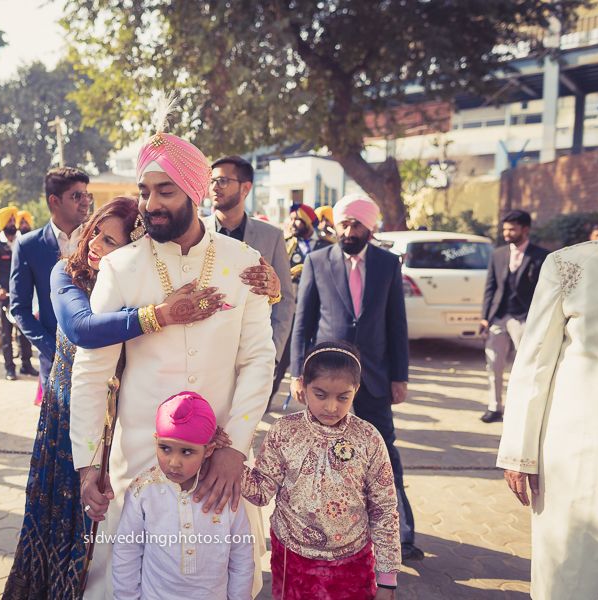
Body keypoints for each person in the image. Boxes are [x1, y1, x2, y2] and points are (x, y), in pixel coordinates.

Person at [2, 197, 278, 599]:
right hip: (75, 415)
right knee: (70, 531)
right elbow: (84, 328)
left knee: (129, 538)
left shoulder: (141, 269)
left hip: (119, 419)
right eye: (96, 232)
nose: (97, 245)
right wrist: (162, 314)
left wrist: (271, 289)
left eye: (112, 241)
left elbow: (254, 352)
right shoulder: (70, 272)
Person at [70, 119, 277, 598]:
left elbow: (258, 361)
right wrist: (87, 464)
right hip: (142, 454)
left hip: (218, 459)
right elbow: (92, 370)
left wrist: (234, 449)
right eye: (145, 191)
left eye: (165, 190)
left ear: (194, 191)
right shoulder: (122, 266)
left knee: (223, 577)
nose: (152, 204)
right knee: (121, 578)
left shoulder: (241, 261)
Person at [497, 172, 598, 600]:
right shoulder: (571, 264)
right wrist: (519, 451)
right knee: (570, 571)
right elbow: (533, 363)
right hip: (575, 452)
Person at [290, 193, 422, 561]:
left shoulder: (387, 264)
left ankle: (401, 535)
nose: (348, 230)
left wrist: (400, 376)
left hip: (376, 380)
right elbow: (303, 323)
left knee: (384, 456)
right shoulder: (318, 261)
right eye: (344, 223)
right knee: (326, 456)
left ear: (370, 227)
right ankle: (329, 531)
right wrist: (298, 375)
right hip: (327, 382)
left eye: (356, 225)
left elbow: (397, 322)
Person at [244, 341, 400, 600]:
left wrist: (387, 579)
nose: (331, 407)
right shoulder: (284, 432)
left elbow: (384, 510)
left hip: (352, 563)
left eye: (343, 397)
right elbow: (261, 493)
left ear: (356, 390)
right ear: (303, 387)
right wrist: (227, 459)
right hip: (292, 559)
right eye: (320, 394)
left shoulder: (368, 438)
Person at [112, 391, 254, 599]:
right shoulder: (143, 491)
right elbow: (126, 551)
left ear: (208, 450)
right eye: (165, 448)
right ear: (156, 441)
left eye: (187, 452)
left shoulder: (222, 491)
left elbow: (241, 555)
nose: (174, 462)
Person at [207, 155, 294, 404]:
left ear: (246, 188)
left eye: (223, 180)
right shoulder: (198, 232)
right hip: (205, 354)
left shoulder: (272, 236)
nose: (215, 187)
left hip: (253, 351)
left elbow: (285, 299)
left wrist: (272, 352)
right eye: (212, 181)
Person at [10, 167, 91, 390]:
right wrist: (54, 351)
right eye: (77, 196)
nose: (85, 201)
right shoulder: (28, 246)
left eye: (87, 195)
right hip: (55, 363)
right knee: (58, 426)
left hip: (100, 357)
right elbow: (20, 309)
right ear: (54, 201)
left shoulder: (100, 237)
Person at [479, 210, 548, 423]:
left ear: (525, 230)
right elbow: (490, 287)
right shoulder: (498, 254)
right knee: (494, 363)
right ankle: (494, 406)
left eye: (512, 229)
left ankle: (519, 408)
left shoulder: (541, 256)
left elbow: (545, 291)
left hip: (525, 317)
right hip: (499, 316)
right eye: (505, 228)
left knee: (525, 364)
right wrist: (485, 317)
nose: (507, 233)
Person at [0, 206, 37, 379]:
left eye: (14, 220)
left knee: (25, 331)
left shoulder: (22, 241)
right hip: (4, 295)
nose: (14, 223)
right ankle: (9, 368)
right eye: (10, 220)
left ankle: (26, 365)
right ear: (2, 223)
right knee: (6, 332)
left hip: (23, 293)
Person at [285, 203, 330, 284]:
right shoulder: (286, 244)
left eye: (297, 219)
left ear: (308, 221)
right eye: (291, 219)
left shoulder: (327, 244)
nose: (292, 224)